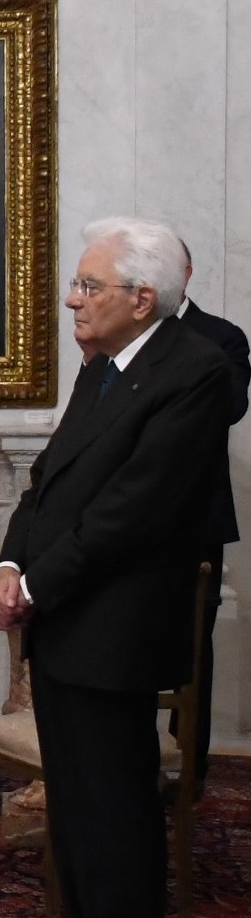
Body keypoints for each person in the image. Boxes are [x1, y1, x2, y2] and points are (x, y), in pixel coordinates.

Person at [0, 217, 233, 918]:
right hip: (64, 623)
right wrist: (10, 566)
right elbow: (50, 480)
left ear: (143, 297)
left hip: (117, 631)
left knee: (118, 815)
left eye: (88, 286)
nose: (71, 299)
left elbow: (135, 510)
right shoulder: (102, 369)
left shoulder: (195, 373)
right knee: (82, 815)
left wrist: (42, 581)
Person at [171, 241, 250, 784]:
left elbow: (230, 406)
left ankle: (188, 769)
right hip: (122, 521)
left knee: (192, 641)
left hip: (194, 517)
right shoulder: (119, 336)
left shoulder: (220, 336)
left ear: (185, 273)